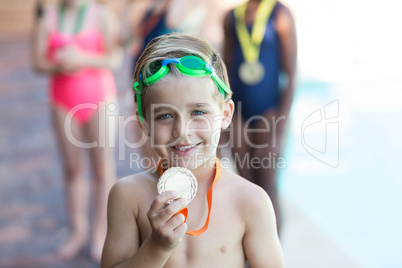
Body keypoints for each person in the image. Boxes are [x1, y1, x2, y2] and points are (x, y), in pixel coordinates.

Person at [101, 32, 284, 268]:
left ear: (225, 115)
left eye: (198, 112)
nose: (182, 130)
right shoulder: (128, 196)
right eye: (165, 116)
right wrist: (157, 247)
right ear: (144, 124)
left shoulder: (250, 201)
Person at [32, 0, 121, 262]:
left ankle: (100, 233)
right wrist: (60, 63)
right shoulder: (47, 18)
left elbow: (115, 58)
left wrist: (82, 58)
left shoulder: (102, 14)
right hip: (62, 100)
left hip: (100, 99)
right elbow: (37, 62)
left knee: (103, 170)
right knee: (72, 169)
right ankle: (78, 231)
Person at [223, 0, 297, 234]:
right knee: (246, 186)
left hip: (269, 114)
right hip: (239, 115)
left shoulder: (280, 15)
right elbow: (225, 73)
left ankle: (274, 257)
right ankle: (251, 253)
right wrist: (224, 123)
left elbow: (291, 76)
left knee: (267, 188)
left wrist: (279, 131)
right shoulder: (231, 17)